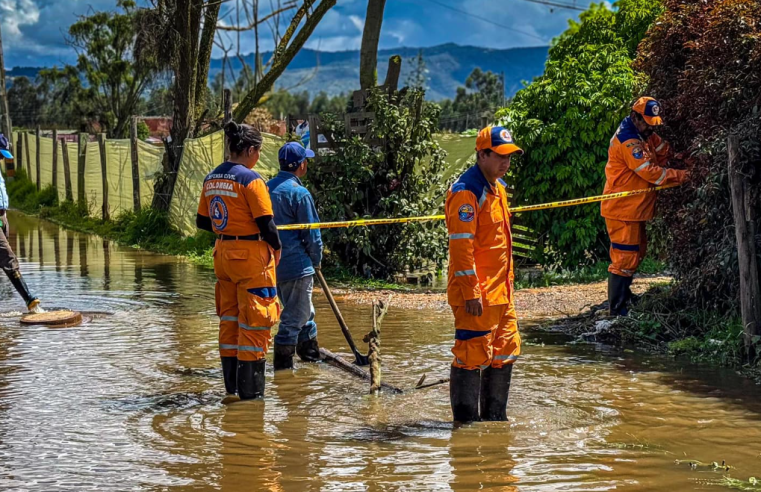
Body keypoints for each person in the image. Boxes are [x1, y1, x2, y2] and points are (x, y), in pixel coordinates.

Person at [196, 122, 282, 400]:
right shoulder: (251, 180)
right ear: (250, 149)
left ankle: (230, 389)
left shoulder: (211, 178)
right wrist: (276, 248)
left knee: (229, 320)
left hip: (223, 256)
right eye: (258, 151)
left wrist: (228, 229)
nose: (258, 157)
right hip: (251, 258)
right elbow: (266, 224)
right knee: (256, 322)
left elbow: (202, 221)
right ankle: (251, 397)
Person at [445, 125, 522, 423]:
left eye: (510, 156)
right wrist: (471, 292)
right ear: (482, 155)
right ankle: (465, 430)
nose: (506, 162)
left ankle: (495, 424)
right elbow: (461, 248)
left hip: (502, 293)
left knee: (505, 351)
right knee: (470, 357)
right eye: (500, 156)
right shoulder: (466, 192)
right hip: (476, 296)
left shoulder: (498, 189)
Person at [601, 97, 689, 316]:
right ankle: (617, 309)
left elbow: (663, 150)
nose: (651, 126)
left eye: (653, 122)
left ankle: (625, 297)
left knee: (637, 252)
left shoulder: (644, 132)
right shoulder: (628, 141)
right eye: (647, 122)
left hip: (634, 209)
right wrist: (685, 176)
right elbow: (651, 173)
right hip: (623, 210)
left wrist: (683, 158)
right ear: (635, 117)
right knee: (624, 258)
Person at [267, 142, 323, 370]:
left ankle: (310, 354)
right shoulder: (299, 193)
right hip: (297, 266)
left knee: (304, 312)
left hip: (273, 266)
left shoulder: (265, 188)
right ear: (302, 165)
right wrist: (317, 260)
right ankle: (283, 372)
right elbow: (312, 234)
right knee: (293, 318)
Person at [0, 139, 42, 313]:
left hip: (2, 216)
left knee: (3, 259)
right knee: (8, 258)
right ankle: (31, 301)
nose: (1, 159)